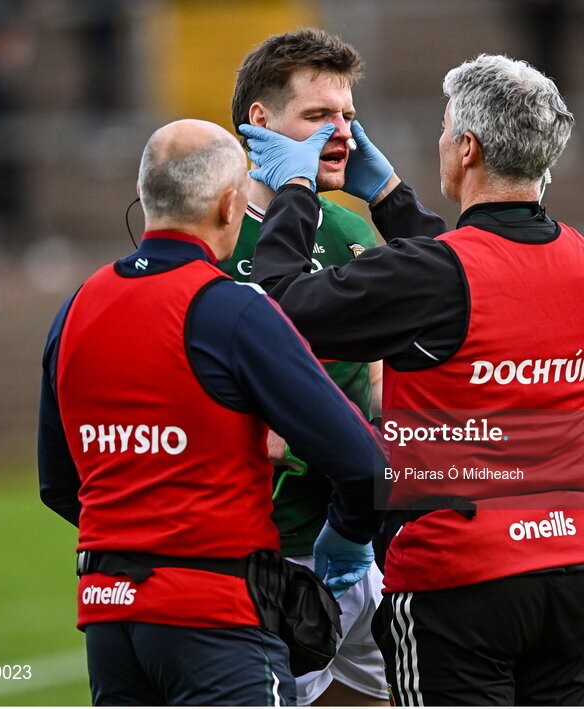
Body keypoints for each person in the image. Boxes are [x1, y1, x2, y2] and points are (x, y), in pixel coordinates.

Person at [241, 54, 584, 705]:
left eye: (446, 129)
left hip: (459, 577)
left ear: (466, 147)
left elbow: (280, 308)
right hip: (572, 569)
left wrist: (297, 192)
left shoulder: (435, 276)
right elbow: (477, 276)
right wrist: (388, 197)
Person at [37, 118, 383, 706]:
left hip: (109, 618)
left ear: (147, 198)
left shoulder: (75, 309)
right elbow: (363, 463)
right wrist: (344, 543)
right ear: (231, 206)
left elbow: (59, 485)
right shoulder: (231, 309)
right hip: (218, 616)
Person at [219, 28, 388, 706]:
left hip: (355, 540)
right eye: (319, 117)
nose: (341, 133)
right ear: (261, 123)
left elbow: (380, 378)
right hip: (263, 553)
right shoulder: (214, 235)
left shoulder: (354, 233)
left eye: (347, 116)